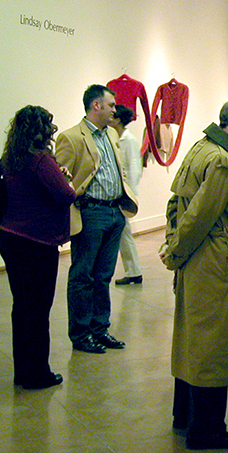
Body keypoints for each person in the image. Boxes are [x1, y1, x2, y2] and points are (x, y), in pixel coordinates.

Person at [159, 98, 228, 450]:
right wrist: (175, 252)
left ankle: (184, 417)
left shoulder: (201, 148)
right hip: (216, 266)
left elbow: (175, 205)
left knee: (193, 340)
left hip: (200, 263)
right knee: (213, 347)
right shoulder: (222, 161)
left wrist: (175, 247)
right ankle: (206, 430)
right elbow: (198, 217)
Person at [55, 84, 138, 354]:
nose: (115, 110)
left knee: (104, 275)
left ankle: (100, 329)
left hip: (114, 212)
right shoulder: (71, 137)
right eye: (111, 105)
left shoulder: (111, 135)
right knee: (83, 276)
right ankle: (81, 334)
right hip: (90, 212)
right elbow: (60, 176)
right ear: (97, 105)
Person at [0, 106, 76, 389]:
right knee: (39, 308)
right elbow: (66, 194)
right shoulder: (42, 160)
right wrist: (66, 177)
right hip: (37, 242)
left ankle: (23, 371)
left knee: (21, 308)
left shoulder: (11, 158)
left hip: (10, 236)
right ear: (43, 130)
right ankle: (37, 374)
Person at [111, 104, 144, 285]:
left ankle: (134, 272)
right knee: (124, 233)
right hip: (115, 194)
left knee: (124, 232)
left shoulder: (128, 140)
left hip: (123, 195)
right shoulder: (112, 137)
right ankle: (133, 271)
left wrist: (128, 195)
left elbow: (134, 169)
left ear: (118, 119)